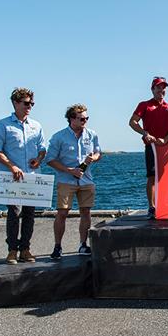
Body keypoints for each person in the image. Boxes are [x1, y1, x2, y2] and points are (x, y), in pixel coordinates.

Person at [0, 88, 47, 264]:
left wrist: (38, 159)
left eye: (32, 103)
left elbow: (42, 148)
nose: (29, 106)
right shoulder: (3, 125)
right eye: (26, 103)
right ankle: (12, 250)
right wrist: (12, 166)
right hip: (11, 177)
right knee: (14, 213)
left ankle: (26, 249)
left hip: (31, 176)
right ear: (15, 103)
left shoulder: (36, 126)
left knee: (30, 215)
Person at [45, 104, 101, 259]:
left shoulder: (91, 135)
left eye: (86, 118)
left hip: (86, 180)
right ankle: (57, 246)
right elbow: (50, 159)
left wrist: (94, 158)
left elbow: (98, 153)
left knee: (86, 212)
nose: (85, 121)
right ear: (71, 119)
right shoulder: (59, 137)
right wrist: (69, 170)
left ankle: (83, 245)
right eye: (81, 118)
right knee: (62, 212)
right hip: (66, 180)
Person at [129, 76, 168, 218]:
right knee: (152, 177)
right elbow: (133, 122)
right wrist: (145, 133)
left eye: (163, 87)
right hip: (151, 147)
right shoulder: (144, 105)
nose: (161, 90)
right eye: (158, 87)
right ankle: (152, 207)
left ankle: (167, 204)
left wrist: (166, 139)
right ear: (152, 89)